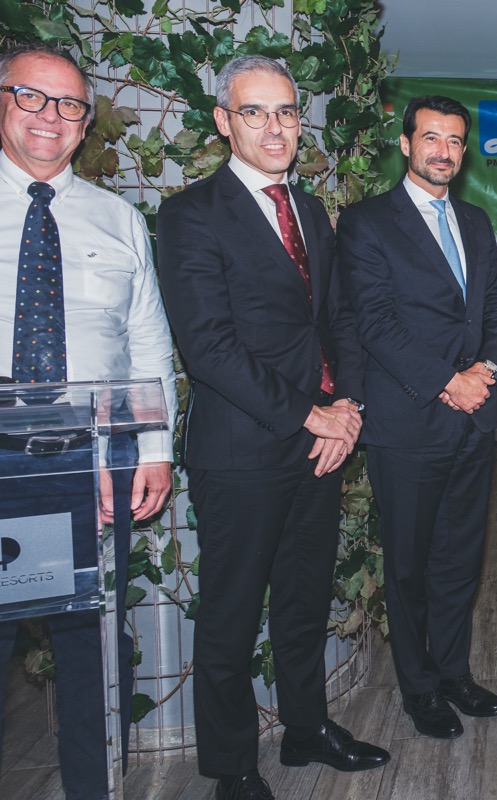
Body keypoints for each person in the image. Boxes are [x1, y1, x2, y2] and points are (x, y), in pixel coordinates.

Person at [157, 55, 387, 800]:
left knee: (303, 600)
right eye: (254, 112)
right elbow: (208, 346)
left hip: (319, 447)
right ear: (224, 121)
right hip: (241, 452)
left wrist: (347, 410)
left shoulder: (311, 211)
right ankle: (232, 769)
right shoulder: (191, 214)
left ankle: (306, 730)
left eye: (286, 111)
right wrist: (310, 412)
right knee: (230, 617)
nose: (275, 127)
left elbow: (338, 321)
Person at [0, 44, 177, 800]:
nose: (51, 116)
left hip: (91, 460)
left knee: (89, 644)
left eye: (69, 104)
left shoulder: (118, 218)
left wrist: (156, 449)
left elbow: (149, 344)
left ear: (84, 122)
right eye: (31, 96)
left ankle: (90, 790)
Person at [337, 95, 497, 740]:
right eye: (431, 138)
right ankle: (419, 687)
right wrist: (447, 382)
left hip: (473, 419)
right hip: (409, 422)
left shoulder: (476, 221)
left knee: (461, 559)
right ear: (406, 144)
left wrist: (485, 371)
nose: (444, 150)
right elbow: (374, 322)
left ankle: (455, 671)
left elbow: (493, 308)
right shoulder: (367, 222)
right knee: (408, 566)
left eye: (455, 141)